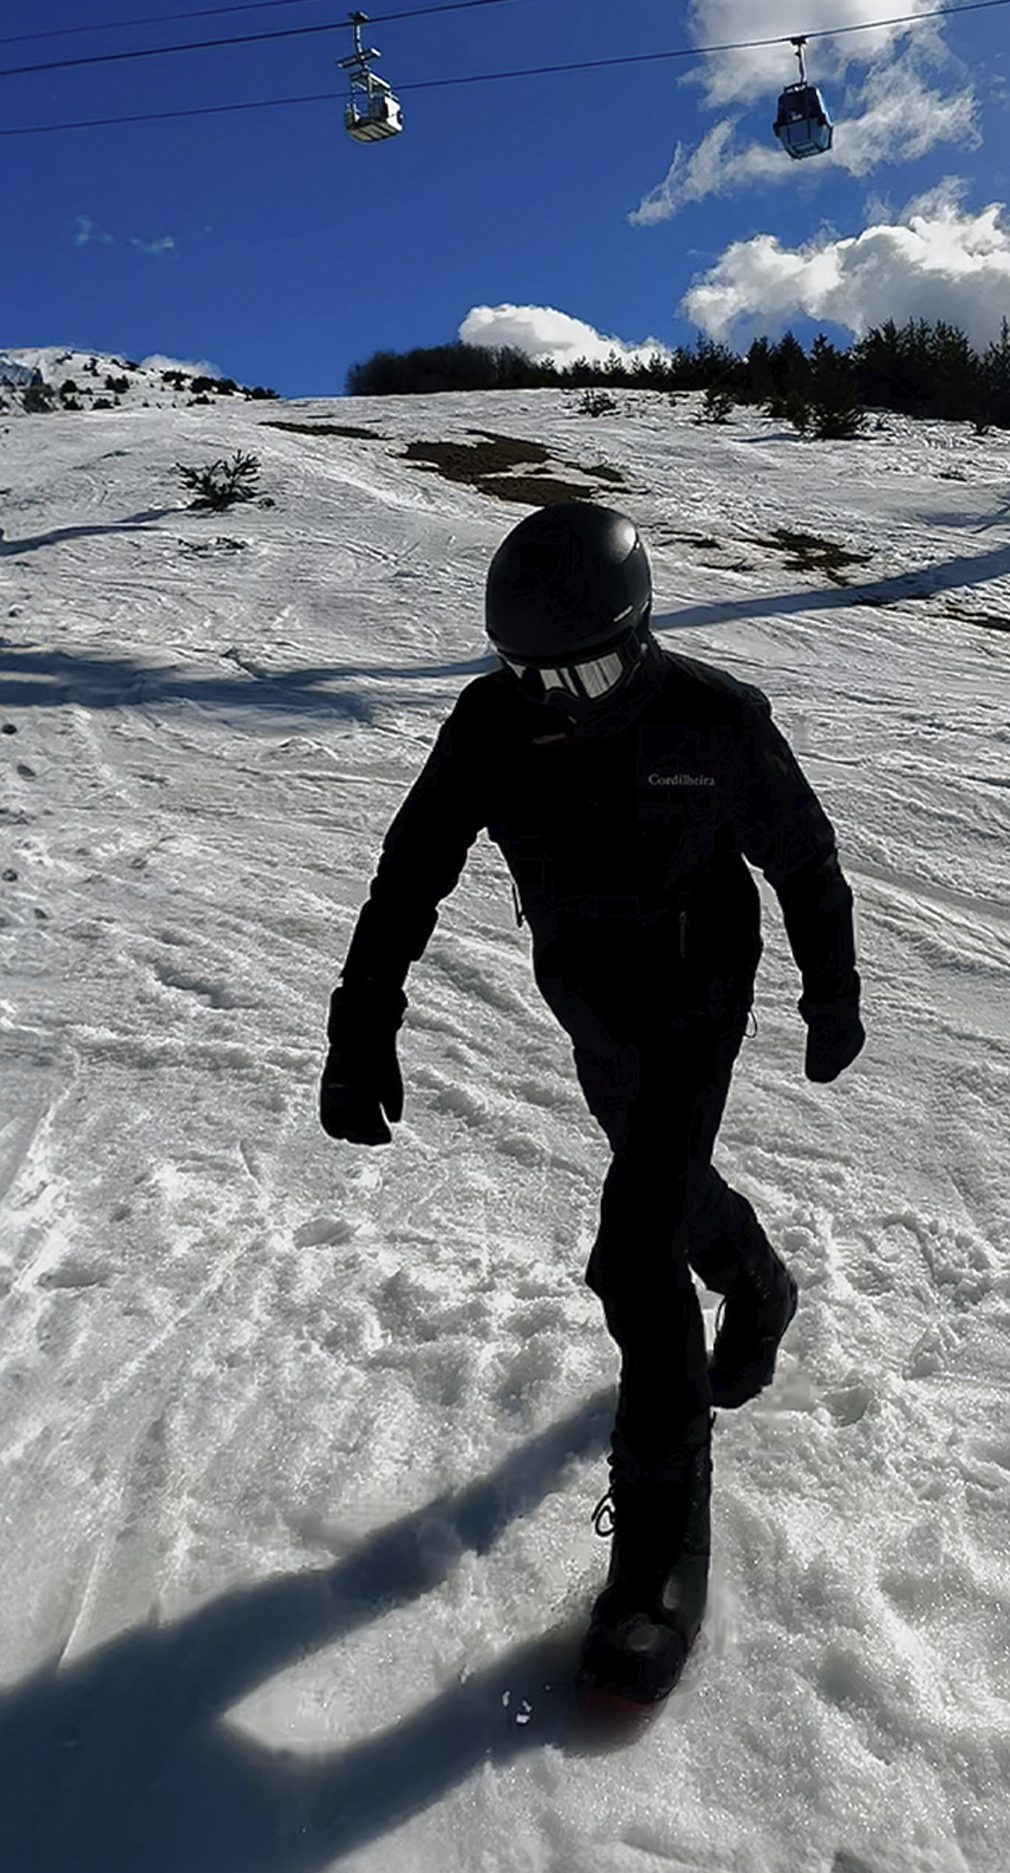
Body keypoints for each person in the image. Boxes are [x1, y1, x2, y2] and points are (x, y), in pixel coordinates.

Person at [317, 500, 864, 1706]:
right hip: (590, 998)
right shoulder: (491, 725)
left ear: (645, 627)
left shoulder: (715, 720)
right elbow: (409, 874)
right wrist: (362, 1023)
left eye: (596, 667)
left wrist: (834, 995)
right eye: (536, 674)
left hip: (696, 990)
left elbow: (805, 862)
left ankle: (660, 1550)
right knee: (661, 1189)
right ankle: (759, 1278)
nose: (567, 696)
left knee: (630, 1252)